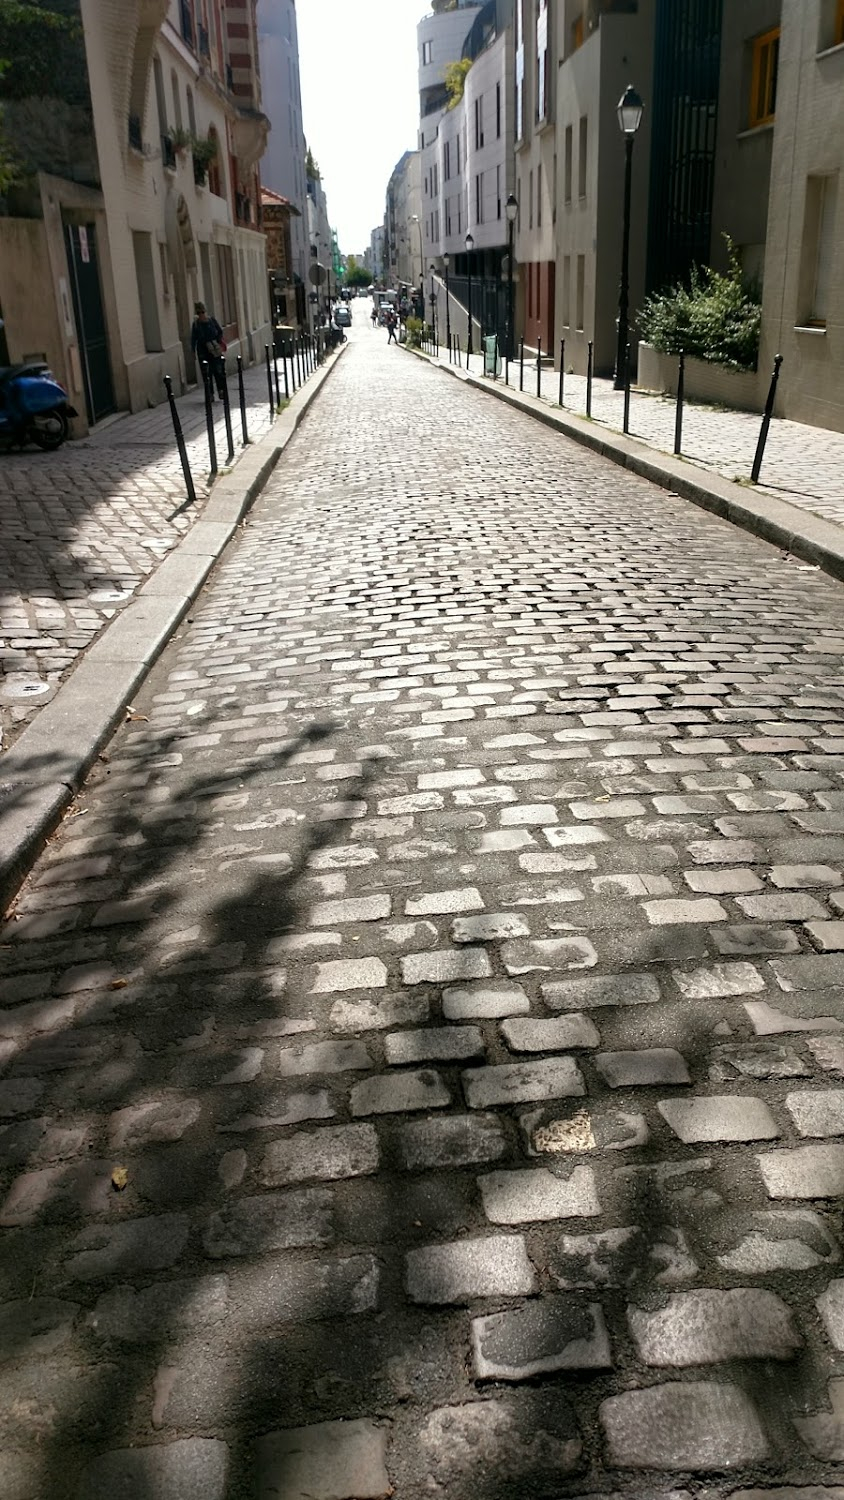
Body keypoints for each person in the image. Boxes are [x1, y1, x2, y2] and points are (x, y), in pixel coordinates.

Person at [190, 302, 226, 399]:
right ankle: (210, 394)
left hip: (214, 350)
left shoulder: (211, 320)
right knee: (206, 373)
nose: (201, 314)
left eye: (202, 312)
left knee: (217, 371)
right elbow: (193, 338)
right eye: (199, 313)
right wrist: (193, 351)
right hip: (203, 351)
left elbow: (219, 331)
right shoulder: (196, 325)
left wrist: (217, 342)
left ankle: (220, 390)